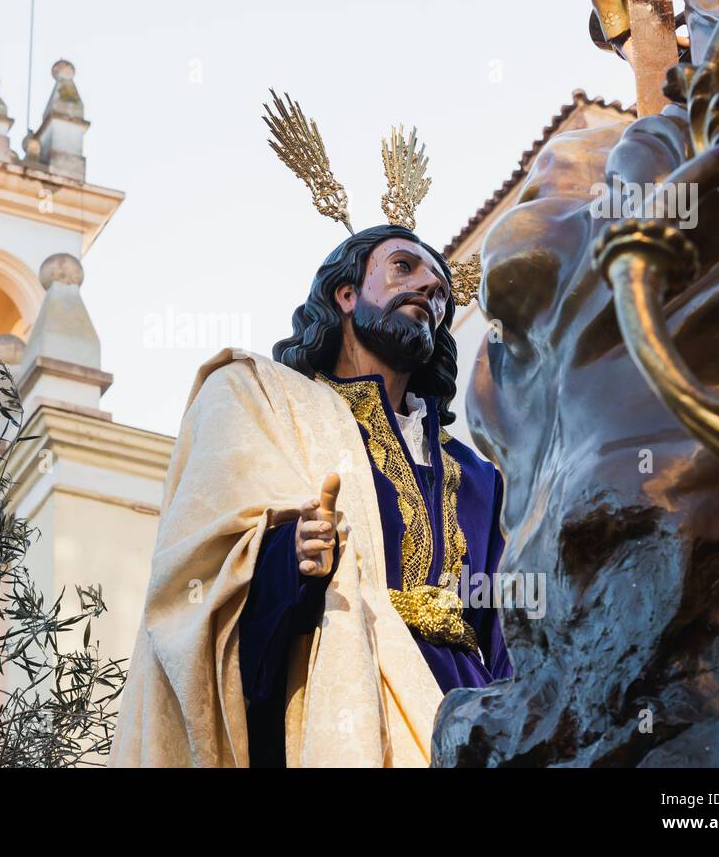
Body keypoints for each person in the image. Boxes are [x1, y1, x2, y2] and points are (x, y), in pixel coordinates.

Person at [109, 95, 513, 767]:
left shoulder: (477, 474)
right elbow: (194, 583)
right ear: (347, 295)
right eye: (405, 268)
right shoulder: (266, 401)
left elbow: (508, 626)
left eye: (442, 290)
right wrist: (282, 556)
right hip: (338, 702)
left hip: (473, 724)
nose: (429, 292)